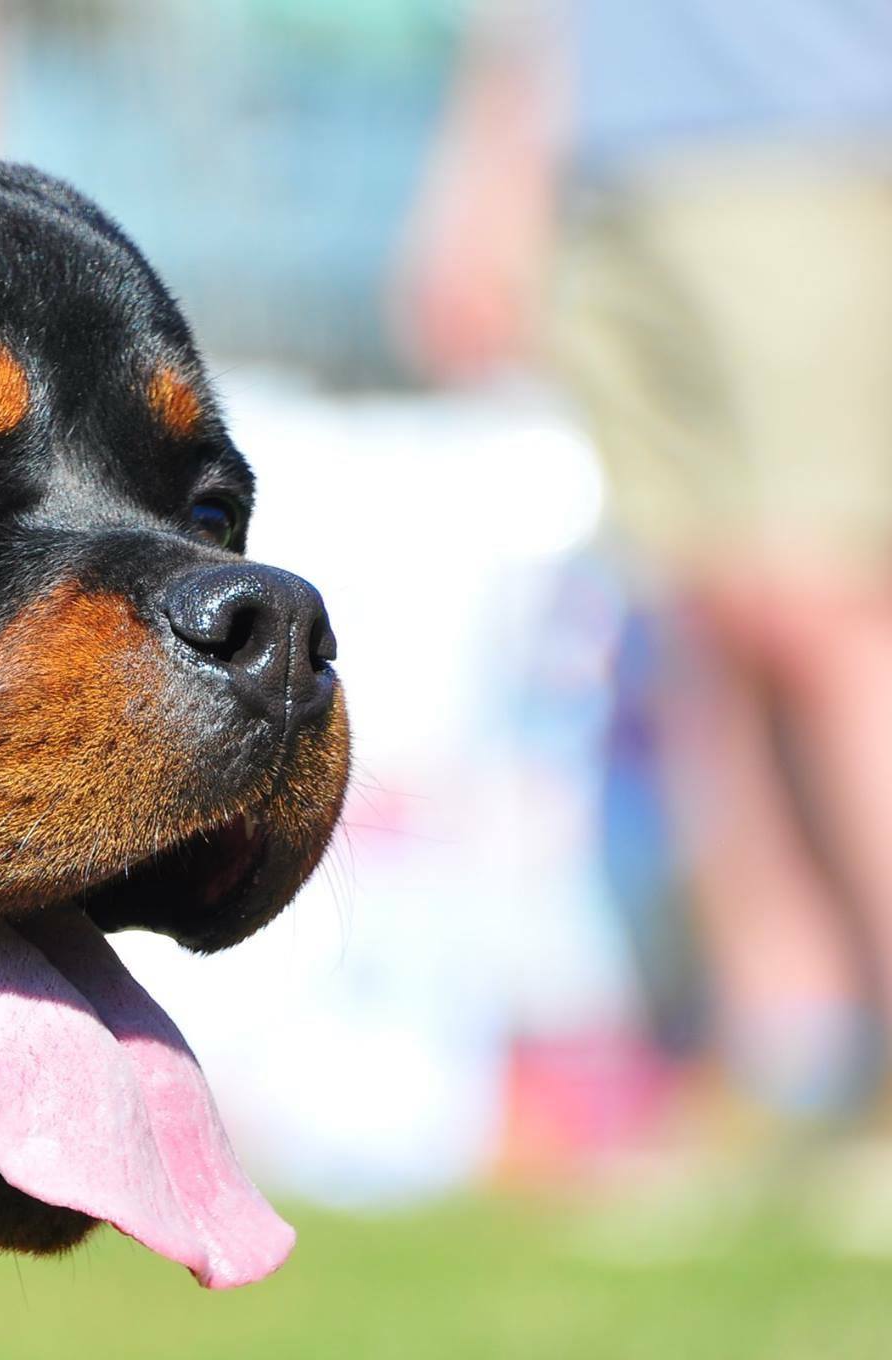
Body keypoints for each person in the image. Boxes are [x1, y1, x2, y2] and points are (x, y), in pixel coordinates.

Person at [399, 0, 892, 1246]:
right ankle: (784, 1065)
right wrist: (491, 164)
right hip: (613, 160)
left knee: (826, 610)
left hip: (812, 141)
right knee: (699, 616)